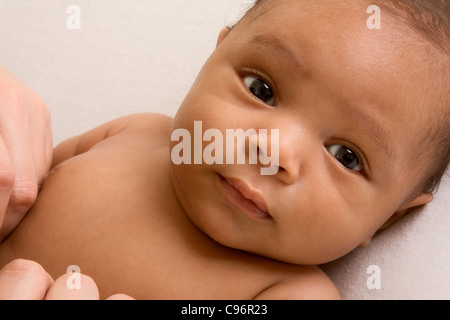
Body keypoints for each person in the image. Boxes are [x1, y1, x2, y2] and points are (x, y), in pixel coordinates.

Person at [0, 0, 448, 299]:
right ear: (213, 56)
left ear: (391, 216)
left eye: (346, 156)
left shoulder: (288, 292)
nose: (273, 152)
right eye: (262, 89)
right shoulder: (131, 134)